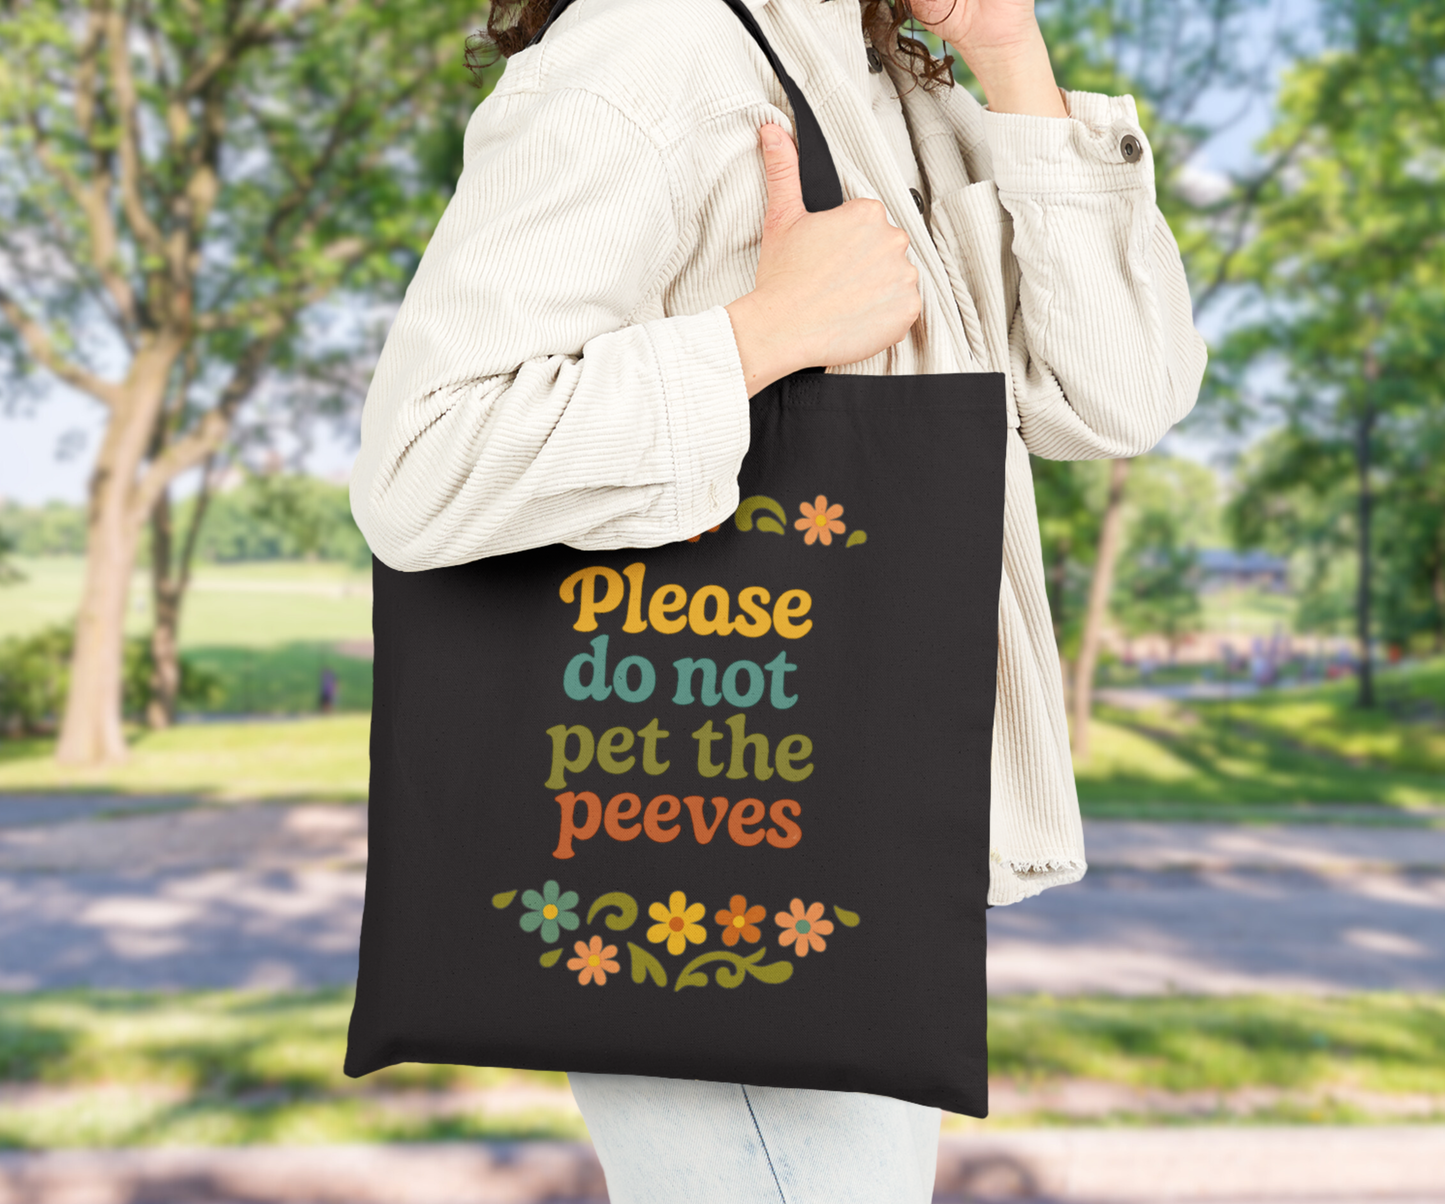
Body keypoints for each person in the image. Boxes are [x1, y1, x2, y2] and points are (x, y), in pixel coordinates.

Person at [350, 0, 1206, 1199]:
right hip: (707, 851)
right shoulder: (651, 47)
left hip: (841, 853)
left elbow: (1114, 395)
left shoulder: (883, 85)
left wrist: (1009, 52)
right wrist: (762, 336)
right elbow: (421, 464)